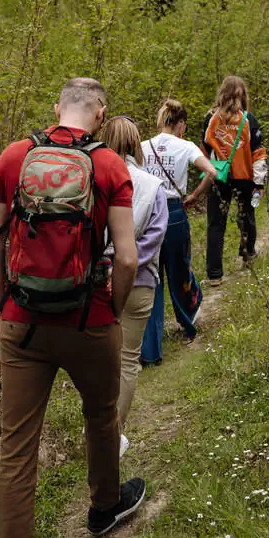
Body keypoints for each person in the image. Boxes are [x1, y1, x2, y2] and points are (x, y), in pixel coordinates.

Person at [0, 78, 145, 538]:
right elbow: (129, 261)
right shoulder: (110, 164)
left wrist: (3, 308)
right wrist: (110, 313)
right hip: (88, 317)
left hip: (20, 322)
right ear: (100, 114)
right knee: (100, 414)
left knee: (16, 450)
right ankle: (104, 505)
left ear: (57, 108)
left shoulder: (14, 157)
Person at [102, 114, 168, 458]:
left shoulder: (92, 181)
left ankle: (97, 425)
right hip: (139, 282)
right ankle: (112, 436)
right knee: (128, 360)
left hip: (97, 281)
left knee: (100, 360)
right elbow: (155, 237)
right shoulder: (152, 186)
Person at [139, 98, 217, 365]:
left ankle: (150, 350)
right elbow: (212, 171)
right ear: (181, 124)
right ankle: (188, 323)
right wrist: (195, 193)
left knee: (151, 278)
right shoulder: (186, 146)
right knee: (179, 271)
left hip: (147, 216)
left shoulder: (142, 147)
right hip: (173, 213)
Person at [202, 75, 268, 284]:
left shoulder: (210, 119)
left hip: (218, 176)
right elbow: (258, 154)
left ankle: (214, 274)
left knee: (215, 224)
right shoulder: (249, 119)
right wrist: (259, 182)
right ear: (243, 96)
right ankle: (248, 254)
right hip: (244, 178)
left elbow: (204, 151)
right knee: (246, 216)